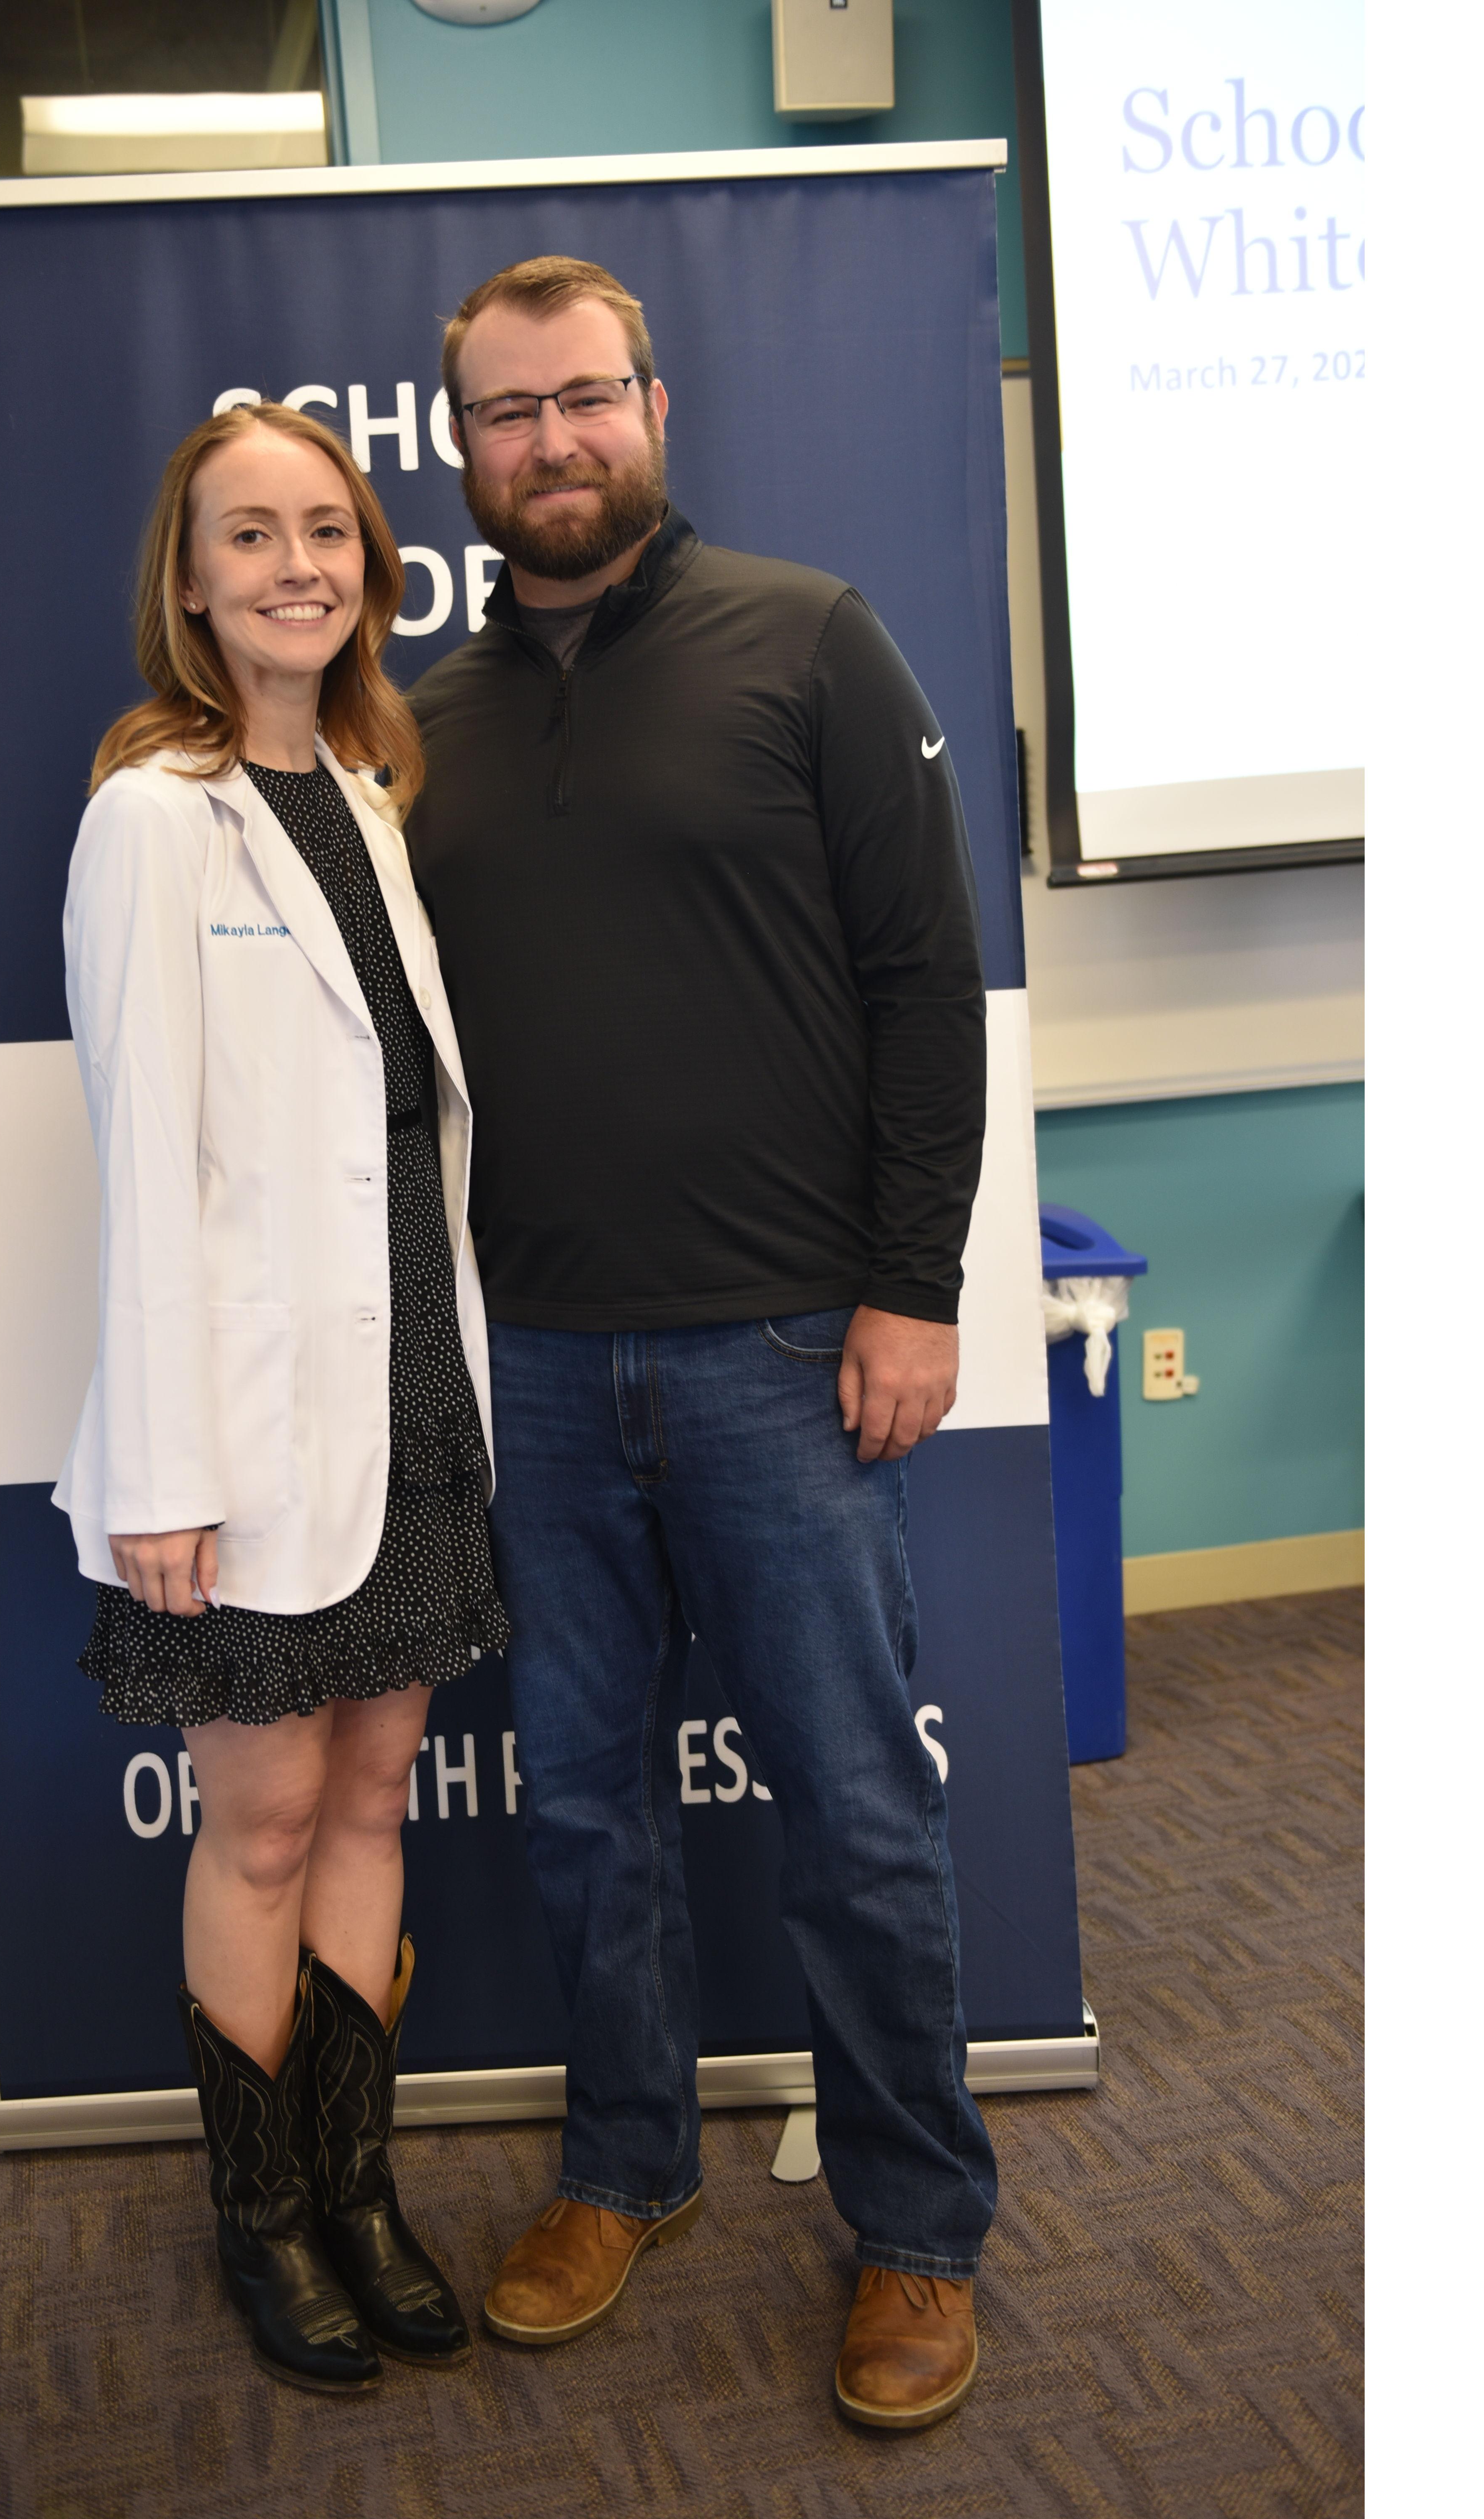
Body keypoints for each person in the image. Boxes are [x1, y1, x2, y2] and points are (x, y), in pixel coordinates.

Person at [403, 257, 1000, 2433]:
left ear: (653, 405)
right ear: (458, 446)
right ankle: (625, 2171)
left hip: (781, 1358)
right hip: (538, 1372)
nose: (553, 444)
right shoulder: (424, 724)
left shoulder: (809, 637)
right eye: (508, 414)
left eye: (587, 400)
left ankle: (921, 2234)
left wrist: (913, 1285)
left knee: (855, 1819)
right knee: (581, 1818)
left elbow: (926, 983)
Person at [52, 400, 508, 2396]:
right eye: (253, 535)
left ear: (371, 562)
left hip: (407, 1397)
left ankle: (360, 2186)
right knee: (256, 1824)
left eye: (326, 529)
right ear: (191, 576)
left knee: (373, 1792)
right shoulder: (159, 814)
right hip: (236, 1431)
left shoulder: (374, 799)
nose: (295, 566)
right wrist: (158, 1459)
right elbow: (139, 1155)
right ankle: (265, 2221)